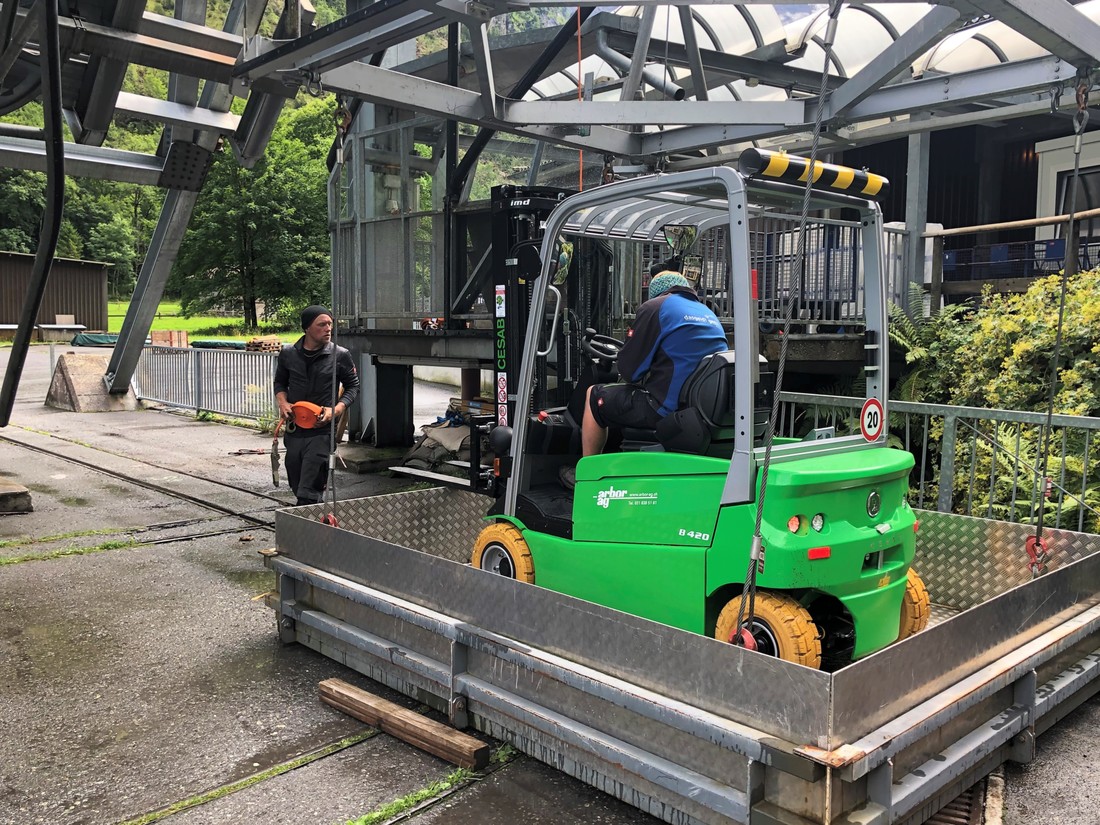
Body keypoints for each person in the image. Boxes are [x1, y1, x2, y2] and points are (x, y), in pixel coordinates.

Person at [560, 271, 726, 489]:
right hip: (699, 408)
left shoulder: (655, 308)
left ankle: (587, 478)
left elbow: (631, 372)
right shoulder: (706, 312)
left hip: (665, 409)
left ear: (656, 292)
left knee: (594, 396)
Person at [274, 305, 360, 505]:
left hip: (322, 431)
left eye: (330, 324)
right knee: (296, 480)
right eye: (322, 324)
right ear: (307, 328)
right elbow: (279, 382)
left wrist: (336, 410)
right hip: (295, 429)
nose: (328, 328)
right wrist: (283, 402)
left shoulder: (340, 355)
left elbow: (352, 387)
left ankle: (308, 530)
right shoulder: (288, 354)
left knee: (309, 488)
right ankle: (308, 520)